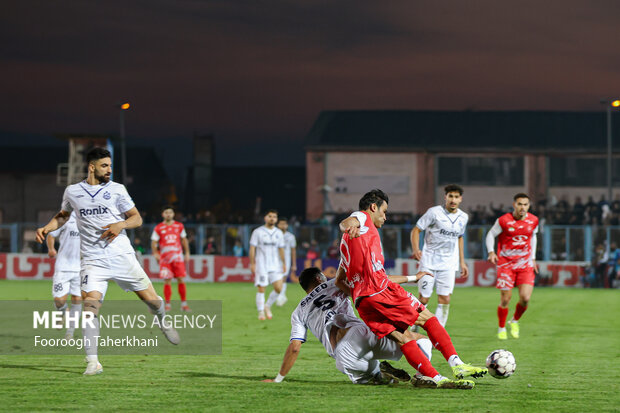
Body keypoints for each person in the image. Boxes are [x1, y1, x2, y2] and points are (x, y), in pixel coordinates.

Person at [35, 147, 179, 376]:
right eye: (105, 166)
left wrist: (119, 225)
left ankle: (161, 319)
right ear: (92, 167)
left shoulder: (117, 190)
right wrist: (47, 227)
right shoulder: (73, 191)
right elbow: (63, 215)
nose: (109, 170)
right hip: (92, 260)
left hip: (121, 256)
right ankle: (93, 362)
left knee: (152, 301)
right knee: (90, 307)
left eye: (110, 166)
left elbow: (137, 218)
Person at [338, 189, 486, 389]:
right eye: (384, 211)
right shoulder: (363, 219)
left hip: (363, 301)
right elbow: (347, 222)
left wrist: (411, 278)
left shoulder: (346, 244)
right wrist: (350, 224)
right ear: (374, 207)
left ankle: (437, 379)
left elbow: (342, 281)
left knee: (403, 336)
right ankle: (457, 365)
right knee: (427, 318)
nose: (385, 216)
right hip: (380, 292)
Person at [263, 267, 436, 386]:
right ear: (319, 278)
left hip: (342, 357)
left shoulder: (298, 311)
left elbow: (294, 347)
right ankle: (421, 376)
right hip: (360, 333)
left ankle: (377, 372)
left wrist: (278, 378)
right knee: (421, 342)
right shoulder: (334, 283)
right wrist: (413, 277)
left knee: (376, 379)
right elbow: (378, 282)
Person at [410, 184, 469, 327]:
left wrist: (462, 262)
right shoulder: (434, 212)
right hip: (428, 262)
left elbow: (460, 237)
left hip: (449, 264)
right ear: (445, 197)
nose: (453, 200)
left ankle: (438, 333)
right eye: (450, 196)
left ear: (460, 199)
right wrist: (416, 249)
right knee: (424, 299)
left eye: (456, 197)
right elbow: (416, 230)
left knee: (445, 298)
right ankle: (414, 326)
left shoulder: (463, 217)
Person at [485, 193, 539, 340]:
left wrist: (533, 258)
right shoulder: (503, 220)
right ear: (514, 204)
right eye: (520, 204)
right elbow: (490, 235)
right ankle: (501, 327)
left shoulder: (533, 220)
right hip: (506, 264)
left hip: (525, 264)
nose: (523, 207)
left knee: (525, 298)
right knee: (505, 299)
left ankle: (514, 321)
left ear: (529, 206)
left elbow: (533, 236)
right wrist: (491, 252)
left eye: (526, 204)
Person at [46, 211, 82, 340]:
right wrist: (51, 249)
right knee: (59, 301)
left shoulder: (88, 218)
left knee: (77, 300)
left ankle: (70, 333)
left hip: (81, 268)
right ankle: (62, 312)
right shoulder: (64, 218)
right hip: (63, 267)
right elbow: (51, 234)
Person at [151, 205, 191, 312]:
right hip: (165, 260)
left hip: (178, 258)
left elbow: (184, 240)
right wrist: (155, 253)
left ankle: (184, 304)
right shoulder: (158, 227)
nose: (168, 214)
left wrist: (187, 252)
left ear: (173, 214)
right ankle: (167, 305)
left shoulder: (179, 226)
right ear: (163, 214)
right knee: (167, 281)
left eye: (170, 212)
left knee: (181, 279)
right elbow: (154, 242)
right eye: (166, 212)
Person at [250, 209, 286, 320]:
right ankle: (260, 312)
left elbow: (281, 249)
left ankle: (267, 306)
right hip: (262, 265)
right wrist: (252, 263)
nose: (272, 218)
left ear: (276, 219)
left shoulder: (279, 233)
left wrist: (284, 262)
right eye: (270, 216)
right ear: (265, 218)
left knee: (279, 288)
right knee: (261, 288)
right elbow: (252, 248)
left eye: (274, 217)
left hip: (275, 265)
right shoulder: (258, 232)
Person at [275, 218, 297, 307]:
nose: (283, 226)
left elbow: (293, 251)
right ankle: (281, 295)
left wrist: (294, 264)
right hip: (275, 260)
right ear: (278, 225)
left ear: (287, 225)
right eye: (281, 224)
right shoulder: (274, 235)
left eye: (284, 224)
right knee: (277, 278)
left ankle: (281, 296)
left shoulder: (291, 237)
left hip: (286, 260)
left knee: (283, 278)